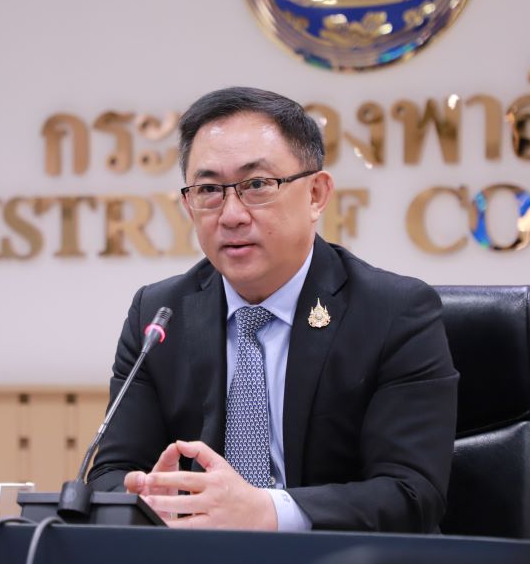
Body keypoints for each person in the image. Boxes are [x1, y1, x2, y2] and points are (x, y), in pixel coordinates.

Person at [88, 87, 458, 532]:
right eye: (209, 190)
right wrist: (152, 502)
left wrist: (267, 512)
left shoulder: (394, 313)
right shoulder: (159, 315)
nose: (231, 215)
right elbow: (111, 476)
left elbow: (411, 494)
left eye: (257, 185)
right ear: (188, 205)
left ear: (316, 194)